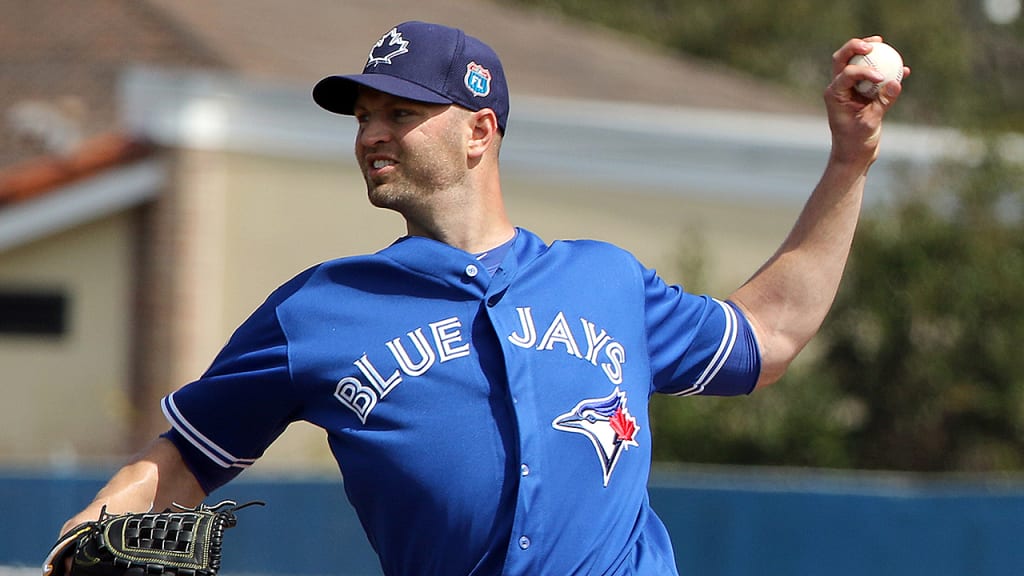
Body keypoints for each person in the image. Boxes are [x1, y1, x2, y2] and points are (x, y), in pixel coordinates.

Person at [52, 20, 907, 576]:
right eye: (361, 116)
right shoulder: (318, 310)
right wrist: (69, 554)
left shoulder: (603, 280)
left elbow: (771, 335)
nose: (371, 132)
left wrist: (850, 161)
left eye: (399, 111)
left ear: (479, 130)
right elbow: (178, 461)